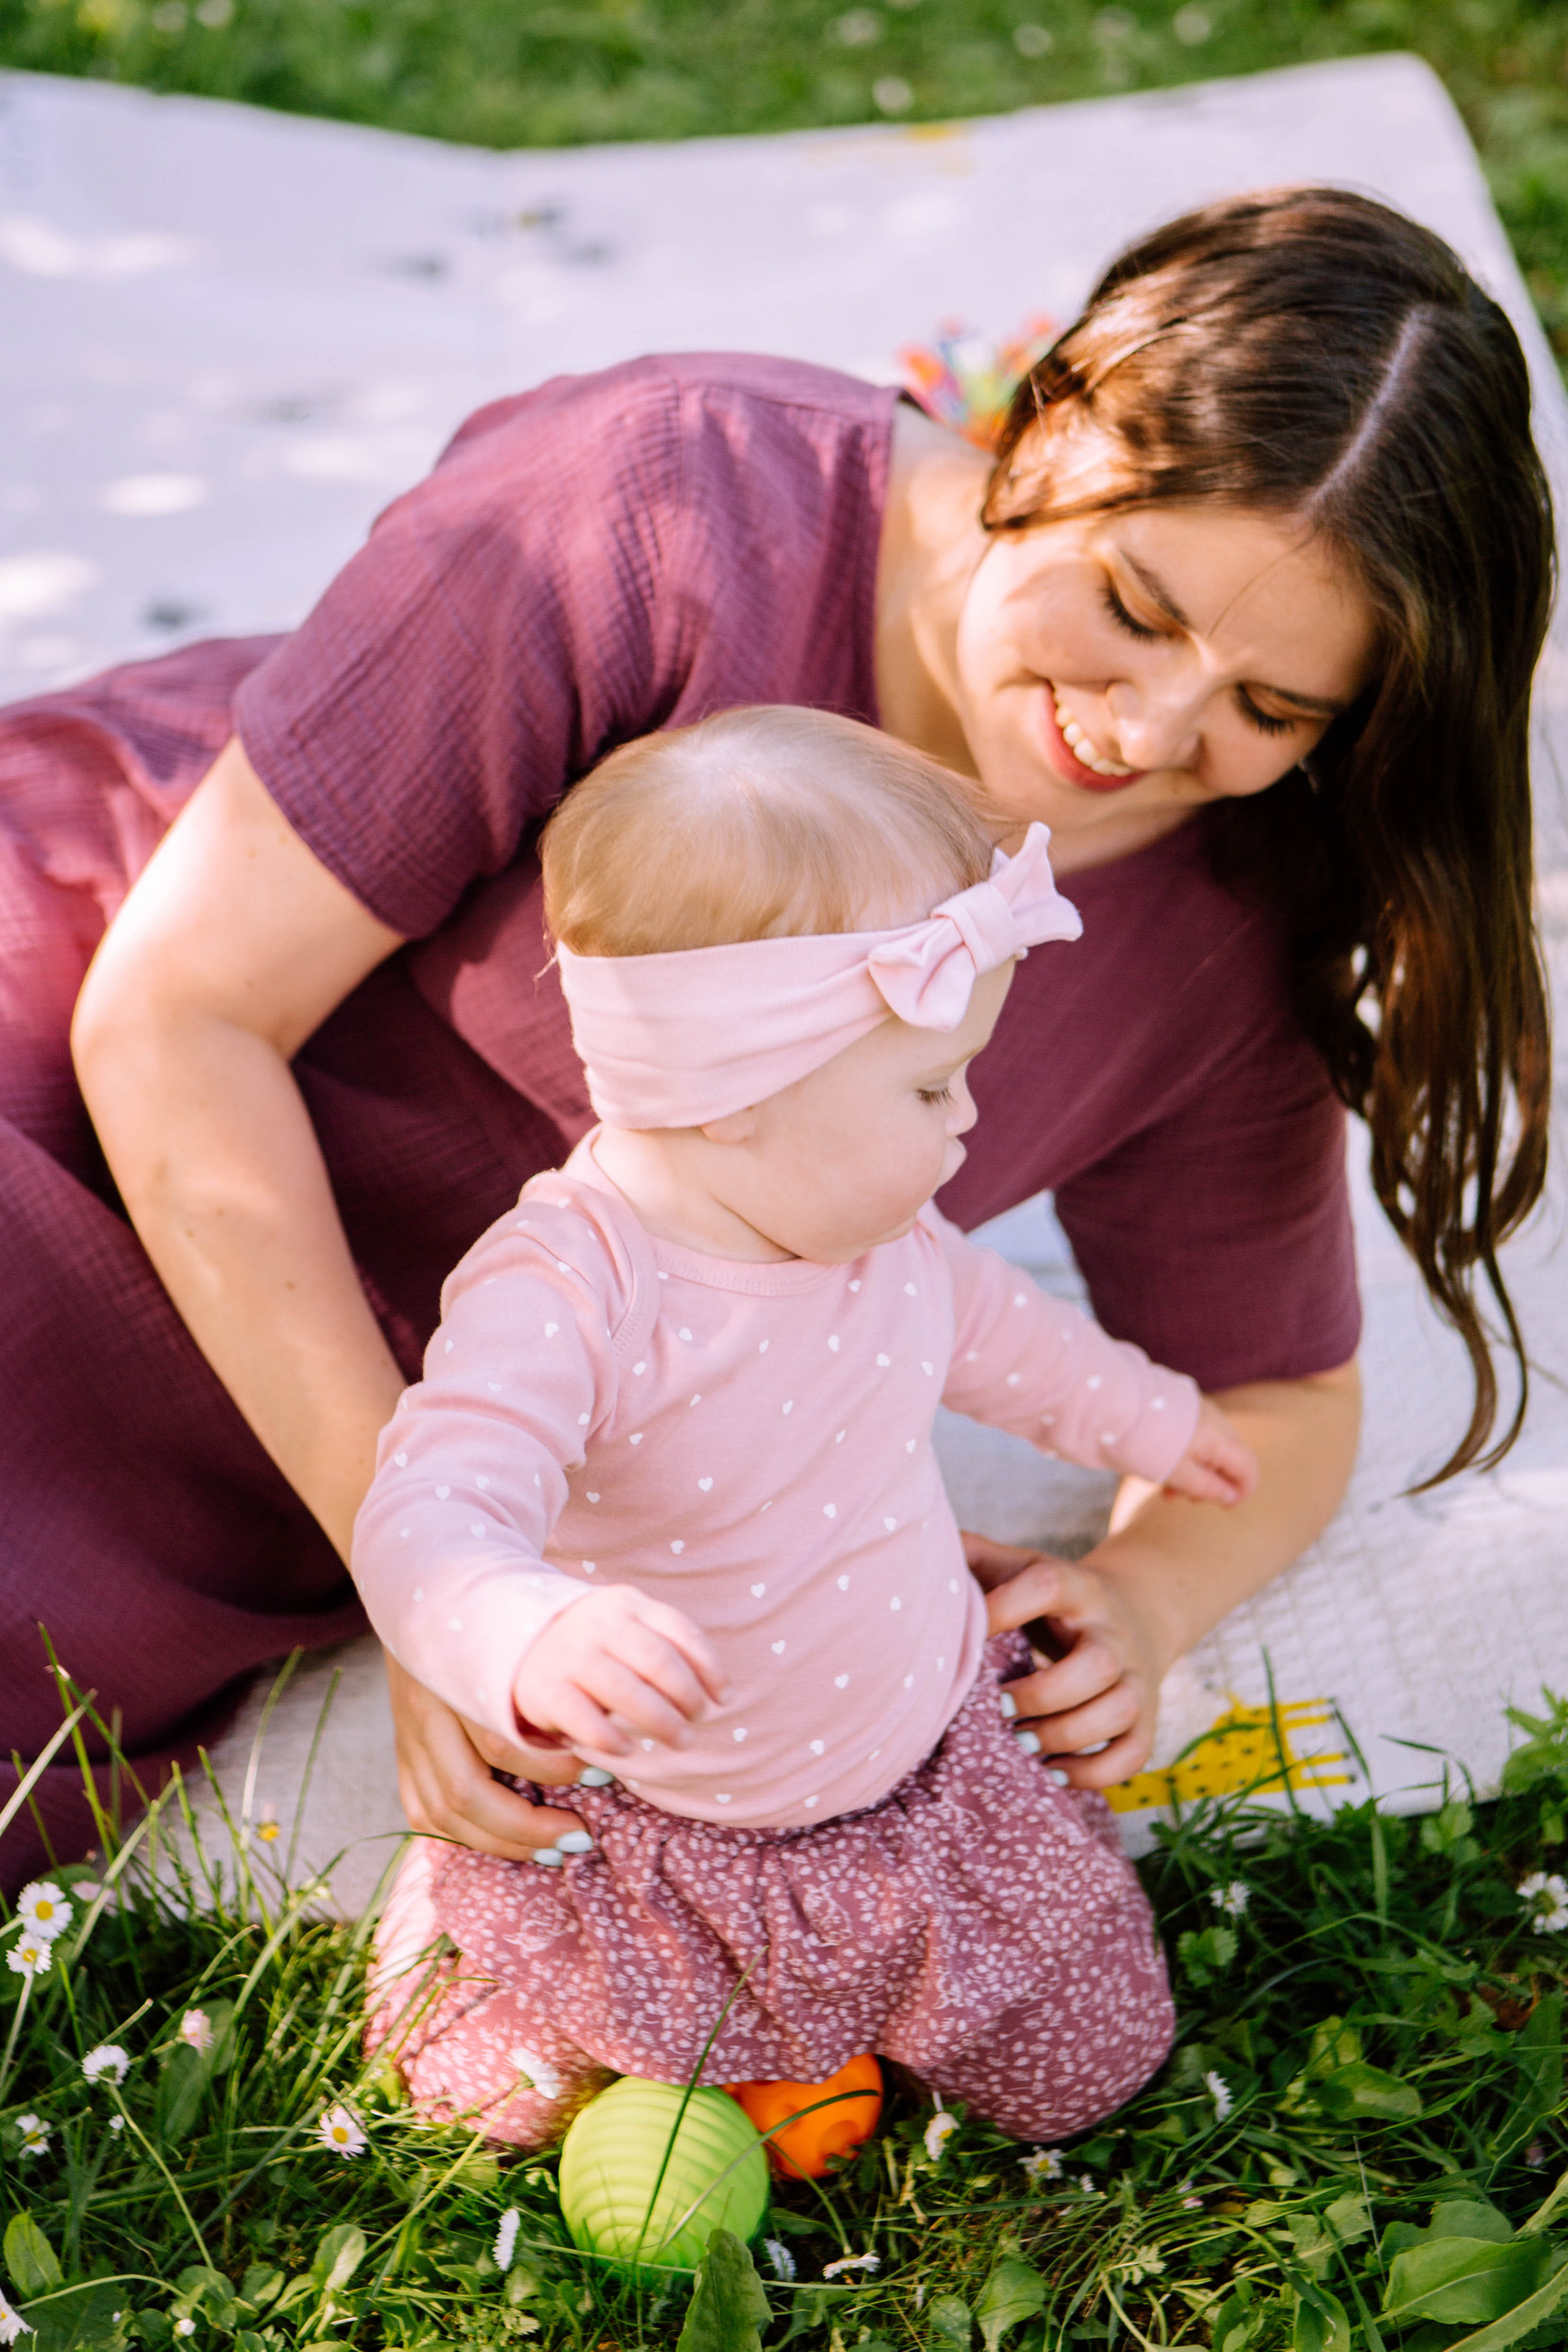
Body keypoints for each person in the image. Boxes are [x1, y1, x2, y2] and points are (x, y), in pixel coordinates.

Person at [0, 185, 1550, 1894]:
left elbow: (1279, 1397)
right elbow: (176, 1014)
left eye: (1273, 710)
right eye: (1132, 604)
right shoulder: (664, 495)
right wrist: (441, 1586)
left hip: (460, 1398)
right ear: (1046, 424)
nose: (1152, 726)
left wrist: (1144, 1593)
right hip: (127, 1094)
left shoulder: (1235, 913)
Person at [360, 706, 1257, 2144]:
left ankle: (853, 1999)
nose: (966, 1121)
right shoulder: (572, 1287)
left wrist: (1146, 1421)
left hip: (912, 1768)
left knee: (1088, 2073)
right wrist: (519, 1629)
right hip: (653, 1824)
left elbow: (1001, 1335)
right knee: (492, 2099)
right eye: (926, 1083)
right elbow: (428, 1507)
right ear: (730, 1096)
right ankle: (469, 1933)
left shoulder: (882, 1236)